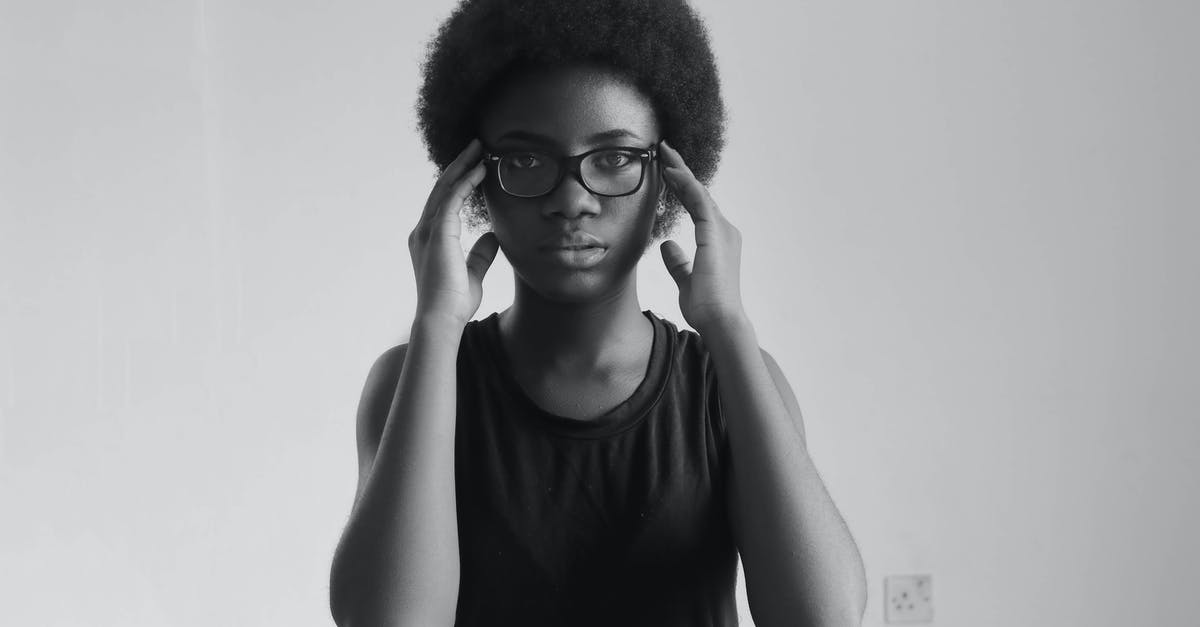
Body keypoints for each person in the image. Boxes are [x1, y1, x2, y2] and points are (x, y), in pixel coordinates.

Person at [329, 0, 867, 625]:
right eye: (526, 160)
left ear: (669, 177)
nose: (571, 200)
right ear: (471, 181)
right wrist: (435, 327)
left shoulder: (733, 382)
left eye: (614, 158)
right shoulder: (409, 381)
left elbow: (823, 618)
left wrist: (728, 326)